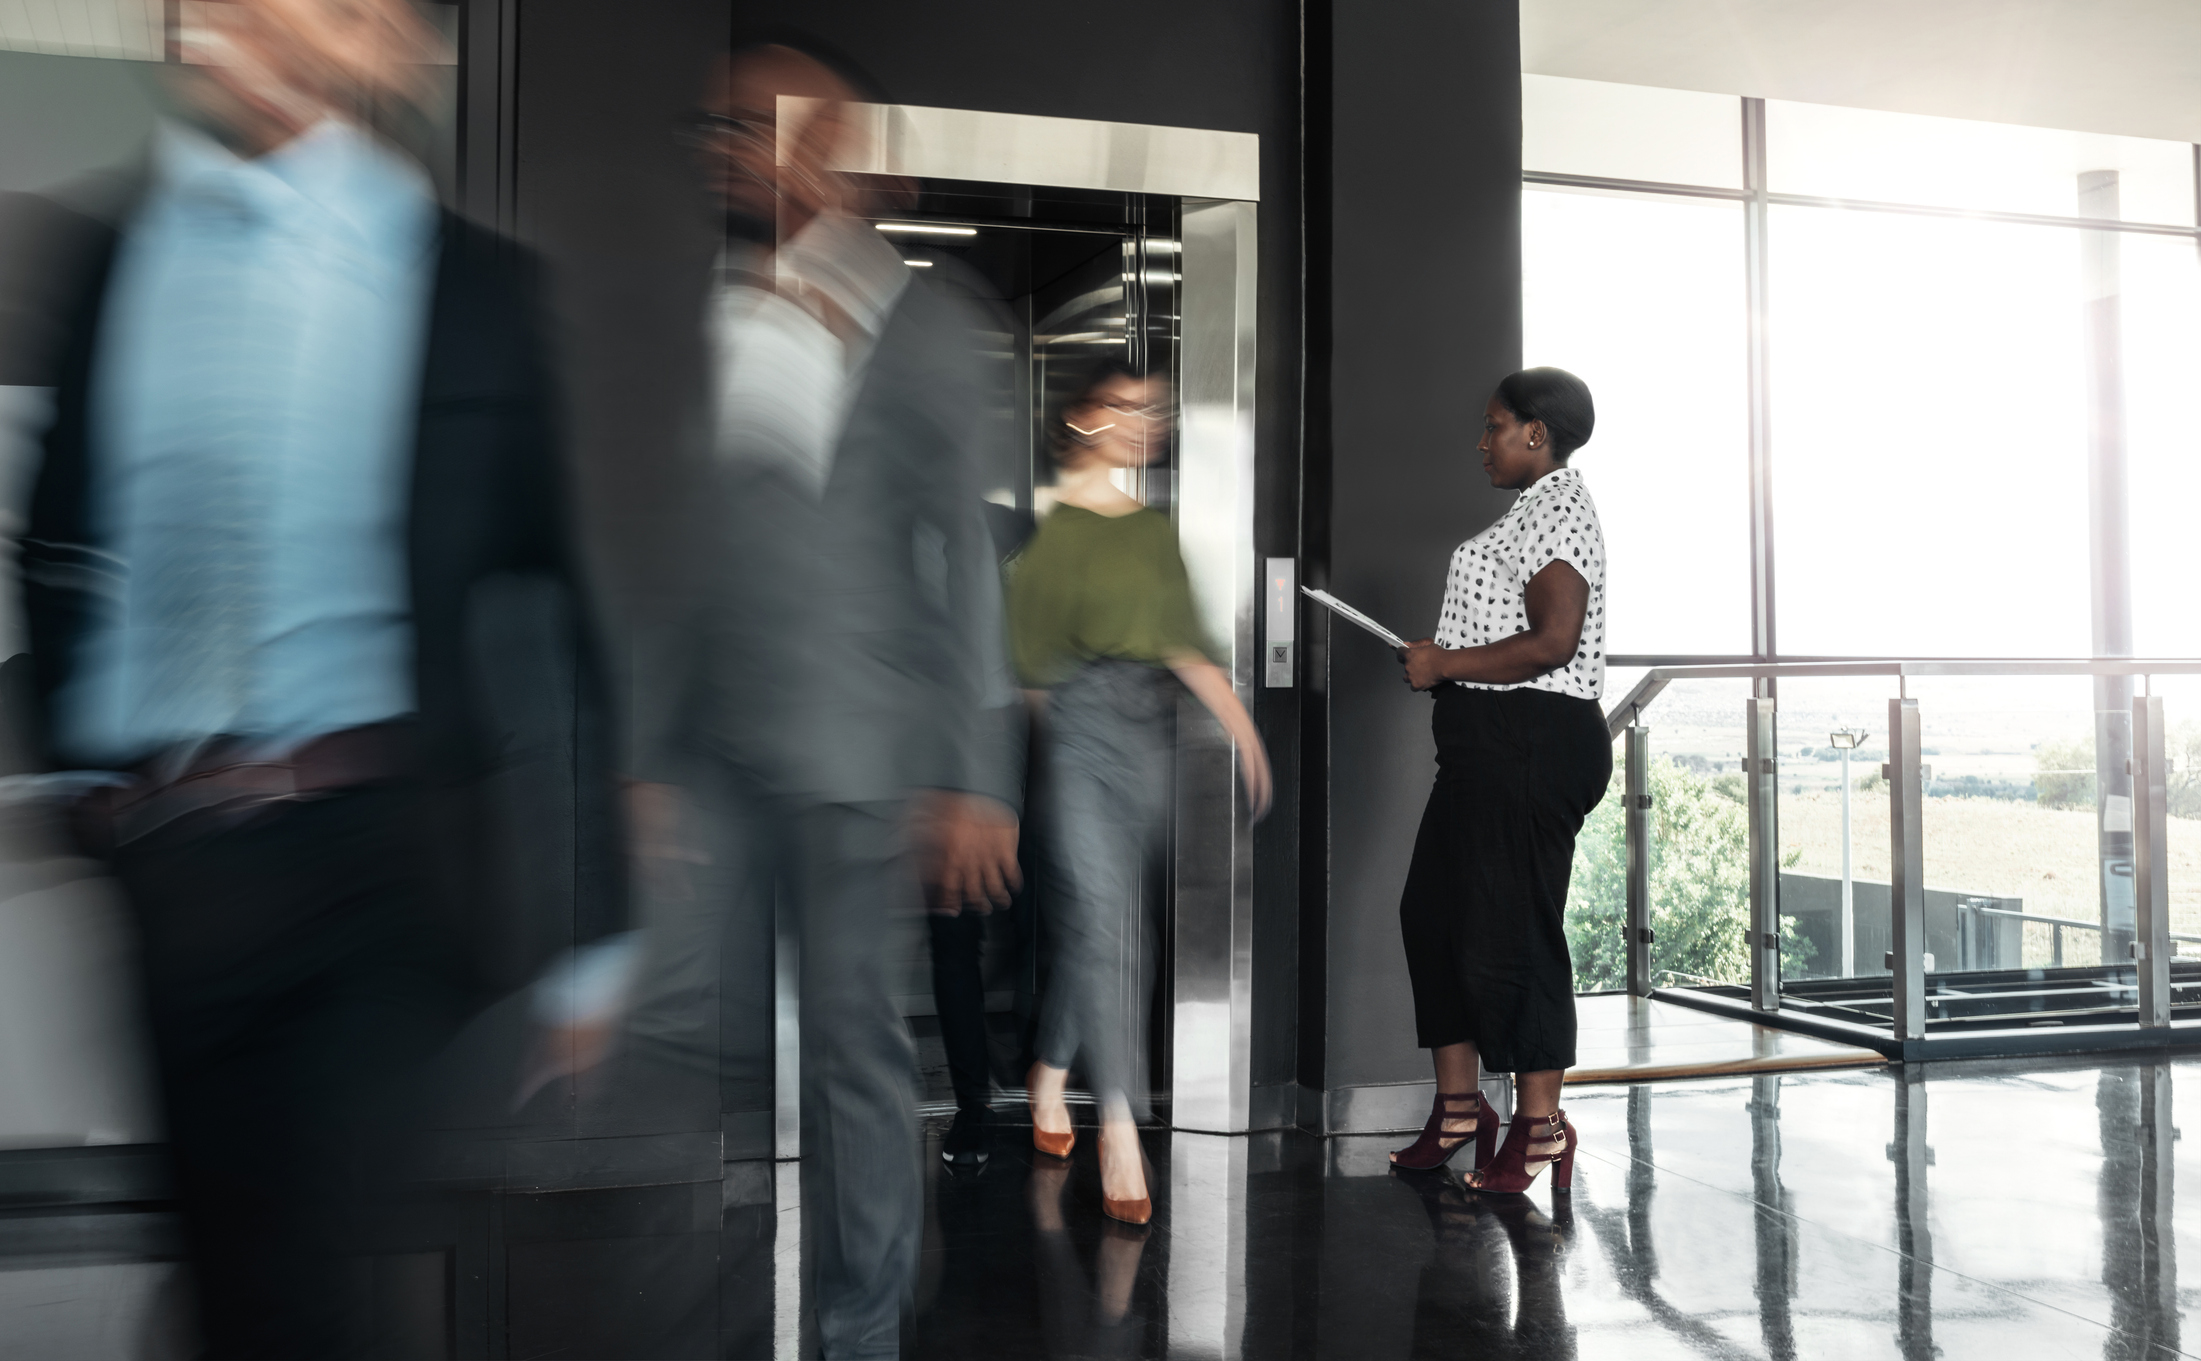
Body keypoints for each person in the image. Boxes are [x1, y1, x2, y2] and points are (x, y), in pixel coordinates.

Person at [10, 0, 628, 1353]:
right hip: (174, 855)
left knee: (308, 1275)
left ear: (391, 42)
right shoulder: (110, 258)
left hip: (379, 847)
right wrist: (88, 779)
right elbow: (57, 537)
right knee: (236, 1267)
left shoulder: (472, 285)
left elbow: (550, 604)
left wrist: (593, 934)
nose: (281, 23)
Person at [621, 35, 1023, 1360]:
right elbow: (691, 557)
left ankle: (858, 1332)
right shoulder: (709, 308)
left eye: (782, 122)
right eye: (735, 123)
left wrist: (971, 773)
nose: (749, 144)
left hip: (863, 762)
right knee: (673, 1022)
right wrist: (653, 751)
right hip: (721, 753)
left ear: (841, 147)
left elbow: (962, 557)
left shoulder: (924, 319)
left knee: (853, 1052)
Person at [1010, 359, 1271, 1225]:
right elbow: (1031, 680)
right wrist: (1044, 778)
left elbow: (1186, 647)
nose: (1142, 419)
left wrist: (1243, 732)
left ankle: (1049, 1070)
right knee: (1101, 924)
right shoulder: (1049, 532)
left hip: (1143, 736)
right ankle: (1119, 1125)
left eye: (1151, 407)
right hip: (1077, 733)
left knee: (1120, 930)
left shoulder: (1152, 532)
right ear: (1080, 418)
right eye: (1122, 405)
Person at [1387, 366, 1607, 1194]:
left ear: (1535, 435)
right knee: (1433, 914)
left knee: (1513, 934)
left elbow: (1554, 641)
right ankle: (1458, 1110)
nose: (1481, 443)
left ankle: (1541, 1124)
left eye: (1493, 427)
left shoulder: (1561, 509)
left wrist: (1444, 661)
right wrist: (1445, 665)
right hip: (1485, 749)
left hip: (1533, 744)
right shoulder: (1527, 510)